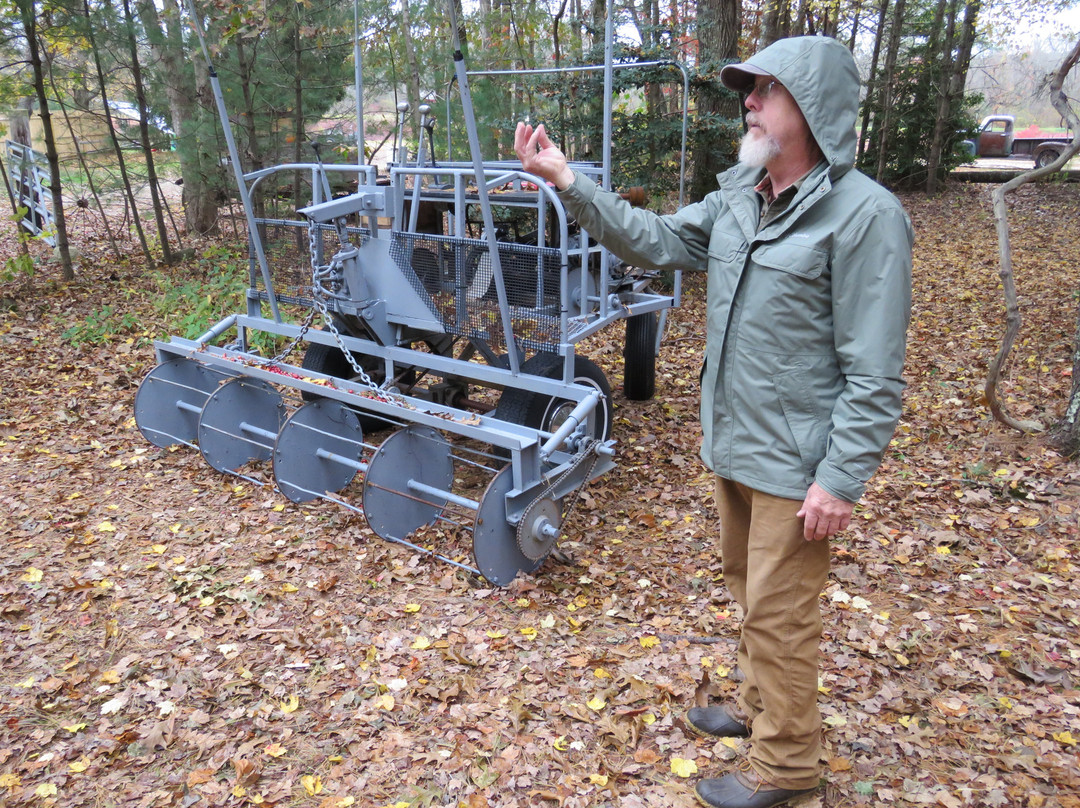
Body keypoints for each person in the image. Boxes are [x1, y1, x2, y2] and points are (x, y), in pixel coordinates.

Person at [515, 35, 913, 808]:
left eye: (766, 90)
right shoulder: (739, 193)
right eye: (750, 91)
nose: (750, 103)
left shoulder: (864, 216)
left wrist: (840, 479)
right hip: (735, 439)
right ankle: (760, 709)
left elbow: (874, 371)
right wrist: (569, 182)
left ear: (813, 108)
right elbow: (657, 239)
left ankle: (789, 765)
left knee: (780, 614)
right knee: (750, 592)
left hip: (798, 461)